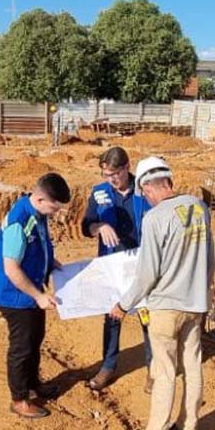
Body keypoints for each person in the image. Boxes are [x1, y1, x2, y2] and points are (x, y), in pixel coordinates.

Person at [110, 156, 215, 430]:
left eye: (146, 193)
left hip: (166, 308)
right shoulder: (199, 208)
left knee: (165, 371)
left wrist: (123, 304)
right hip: (195, 305)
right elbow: (210, 261)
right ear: (169, 180)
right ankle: (189, 429)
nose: (147, 198)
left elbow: (147, 274)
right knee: (193, 366)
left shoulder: (155, 218)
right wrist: (201, 293)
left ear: (146, 188)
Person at [0, 172, 72, 419]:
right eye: (54, 208)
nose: (56, 213)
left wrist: (50, 261)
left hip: (31, 293)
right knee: (22, 348)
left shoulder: (37, 213)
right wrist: (38, 296)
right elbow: (11, 268)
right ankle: (19, 399)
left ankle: (34, 384)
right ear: (39, 200)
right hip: (16, 297)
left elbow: (37, 246)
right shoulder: (19, 221)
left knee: (36, 339)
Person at [80, 147, 153, 392]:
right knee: (112, 316)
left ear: (127, 167)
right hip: (111, 266)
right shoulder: (99, 193)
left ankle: (154, 368)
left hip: (142, 266)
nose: (111, 179)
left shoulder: (146, 190)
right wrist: (99, 226)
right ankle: (108, 366)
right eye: (105, 174)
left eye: (115, 173)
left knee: (148, 317)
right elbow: (85, 226)